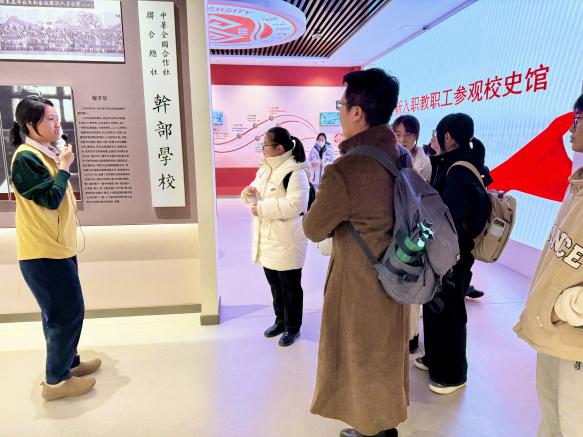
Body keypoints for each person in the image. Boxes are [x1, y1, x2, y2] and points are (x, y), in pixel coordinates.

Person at [303, 68, 407, 437]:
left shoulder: (346, 170)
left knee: (360, 356)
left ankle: (369, 429)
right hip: (397, 273)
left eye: (342, 105)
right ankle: (384, 423)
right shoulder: (400, 155)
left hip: (359, 283)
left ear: (357, 112)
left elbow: (313, 228)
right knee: (386, 353)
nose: (342, 113)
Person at [10, 96, 101, 401]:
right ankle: (56, 381)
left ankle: (68, 363)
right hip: (43, 251)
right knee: (65, 312)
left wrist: (60, 162)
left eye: (56, 117)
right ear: (30, 125)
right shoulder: (26, 158)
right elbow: (50, 199)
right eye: (49, 119)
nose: (57, 123)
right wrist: (63, 168)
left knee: (64, 310)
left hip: (57, 247)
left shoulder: (43, 152)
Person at [514, 94, 583, 436]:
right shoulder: (576, 185)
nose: (571, 131)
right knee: (552, 415)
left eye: (578, 121)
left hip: (574, 337)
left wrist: (563, 308)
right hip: (556, 333)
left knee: (573, 423)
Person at [415, 113, 491, 395]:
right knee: (434, 306)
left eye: (436, 133)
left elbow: (447, 218)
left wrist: (417, 243)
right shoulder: (454, 164)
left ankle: (453, 374)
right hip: (441, 253)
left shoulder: (458, 171)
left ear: (447, 136)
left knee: (450, 312)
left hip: (452, 255)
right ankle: (434, 358)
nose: (433, 138)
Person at [241, 127, 310, 347]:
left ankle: (293, 327)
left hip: (287, 240)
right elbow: (256, 190)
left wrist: (263, 208)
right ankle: (280, 321)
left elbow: (297, 205)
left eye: (265, 145)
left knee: (290, 287)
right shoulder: (265, 168)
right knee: (275, 286)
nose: (262, 149)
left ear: (279, 148)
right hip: (268, 239)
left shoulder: (295, 172)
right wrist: (249, 193)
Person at [392, 114, 431, 354]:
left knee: (411, 287)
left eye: (408, 134)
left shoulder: (421, 163)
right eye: (397, 133)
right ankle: (401, 334)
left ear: (416, 136)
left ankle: (411, 337)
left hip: (415, 233)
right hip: (398, 231)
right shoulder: (396, 157)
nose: (402, 138)